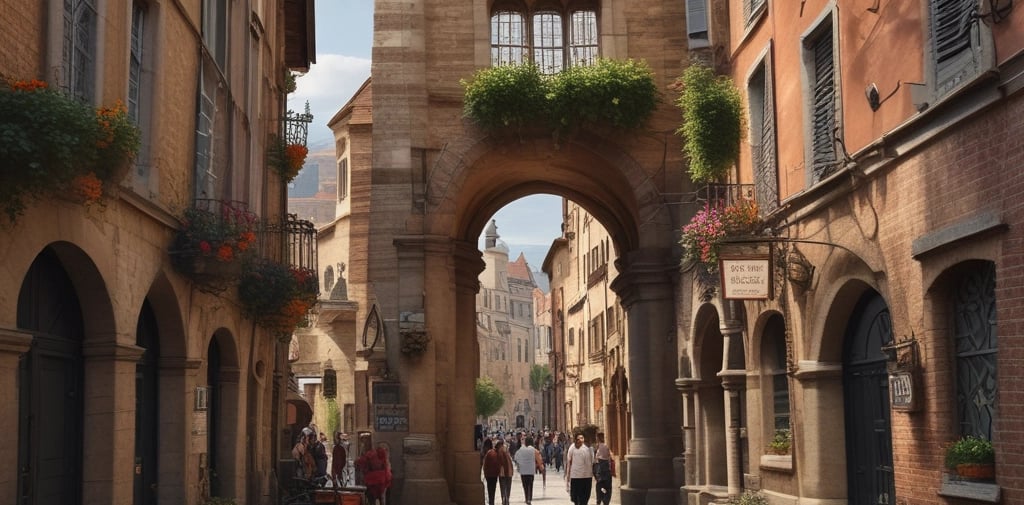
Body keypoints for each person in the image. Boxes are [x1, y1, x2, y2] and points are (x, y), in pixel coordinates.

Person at [565, 434, 594, 505]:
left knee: (585, 498)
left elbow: (592, 462)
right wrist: (567, 476)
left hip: (587, 477)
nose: (580, 439)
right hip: (576, 477)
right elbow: (569, 462)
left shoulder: (589, 448)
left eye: (582, 438)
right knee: (576, 499)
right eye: (579, 438)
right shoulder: (572, 447)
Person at [513, 436, 539, 505]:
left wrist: (519, 464)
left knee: (525, 485)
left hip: (523, 470)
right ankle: (529, 498)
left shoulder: (521, 449)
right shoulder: (533, 449)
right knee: (530, 484)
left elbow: (515, 458)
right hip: (531, 470)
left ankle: (526, 497)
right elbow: (538, 458)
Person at [593, 432, 613, 505]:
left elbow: (595, 459)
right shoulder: (607, 446)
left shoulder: (597, 447)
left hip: (599, 468)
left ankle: (599, 500)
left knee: (599, 486)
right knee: (607, 487)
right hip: (606, 468)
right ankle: (606, 501)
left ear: (598, 438)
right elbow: (611, 456)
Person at [481, 438, 500, 505]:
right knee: (493, 489)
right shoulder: (494, 452)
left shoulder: (487, 453)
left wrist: (485, 473)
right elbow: (498, 463)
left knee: (489, 489)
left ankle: (491, 502)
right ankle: (492, 502)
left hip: (489, 474)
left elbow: (485, 465)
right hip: (494, 474)